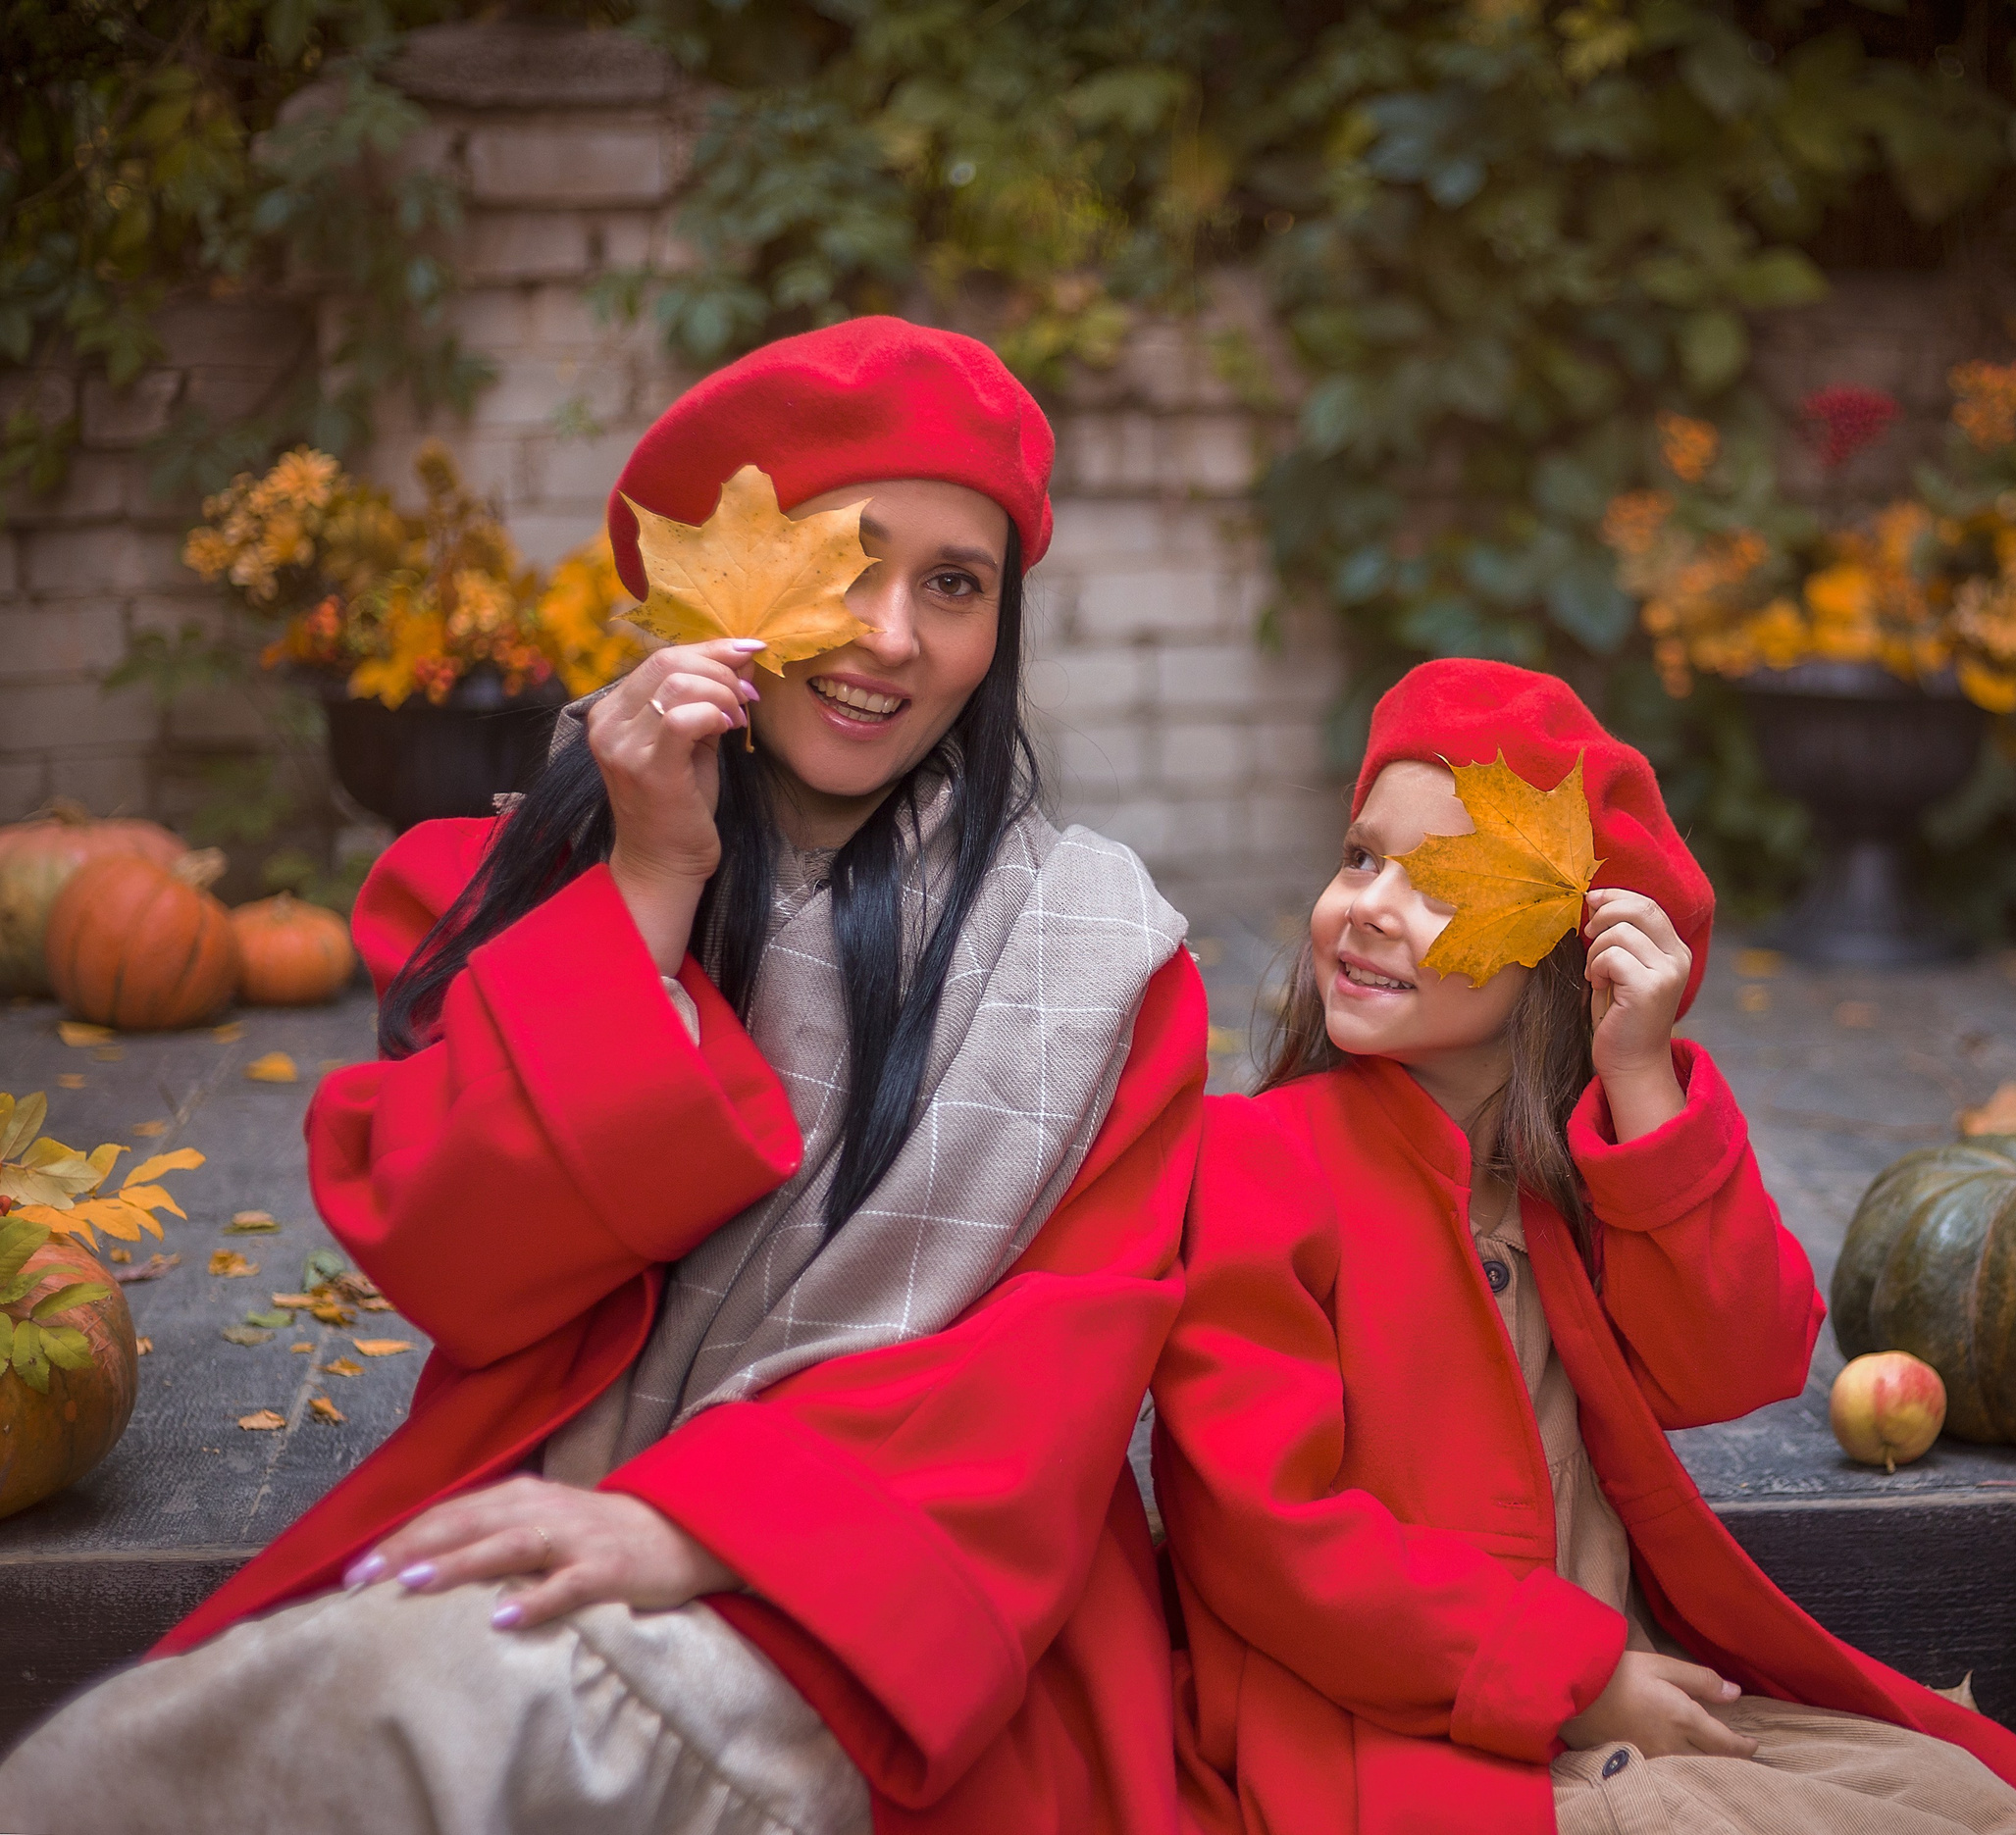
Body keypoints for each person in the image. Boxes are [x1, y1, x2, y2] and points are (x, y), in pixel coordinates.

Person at [0, 319, 1205, 1835]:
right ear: (720, 586)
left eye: (954, 585)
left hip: (875, 1621)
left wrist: (697, 1524)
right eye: (843, 559)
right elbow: (460, 1256)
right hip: (541, 1523)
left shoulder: (1102, 957)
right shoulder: (501, 880)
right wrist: (649, 874)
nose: (894, 635)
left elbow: (1055, 1370)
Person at [1151, 659, 2016, 1835]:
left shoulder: (1572, 1183)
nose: (1372, 902)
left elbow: (1736, 1361)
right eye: (1358, 855)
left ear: (1557, 947)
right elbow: (1259, 1525)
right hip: (1400, 1731)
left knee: (1973, 1800)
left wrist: (1641, 1081)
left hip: (1618, 1692)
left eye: (1441, 879)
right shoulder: (1264, 1157)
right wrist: (1575, 1676)